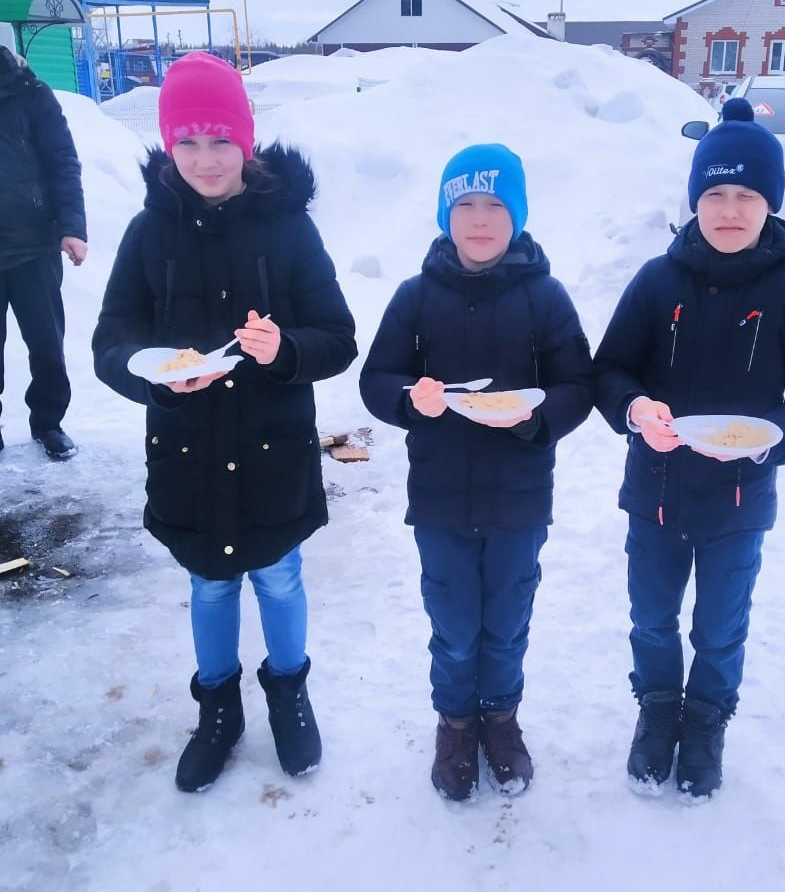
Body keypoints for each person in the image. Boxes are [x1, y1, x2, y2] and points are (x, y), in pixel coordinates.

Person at [92, 52, 357, 792]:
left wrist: (285, 351)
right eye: (188, 141)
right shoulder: (150, 234)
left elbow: (338, 336)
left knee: (278, 577)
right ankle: (218, 710)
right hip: (189, 450)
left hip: (272, 451)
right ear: (169, 146)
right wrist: (160, 376)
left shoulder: (290, 230)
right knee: (210, 586)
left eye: (219, 140)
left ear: (245, 140)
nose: (205, 159)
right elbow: (110, 342)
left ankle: (289, 696)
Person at [593, 99, 785, 799]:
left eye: (745, 195)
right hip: (656, 490)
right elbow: (609, 370)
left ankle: (705, 719)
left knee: (720, 626)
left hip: (741, 497)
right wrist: (635, 407)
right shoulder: (657, 279)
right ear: (696, 199)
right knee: (651, 617)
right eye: (714, 193)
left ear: (769, 203)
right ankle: (657, 710)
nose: (729, 209)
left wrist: (776, 440)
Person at [359, 143, 593, 802]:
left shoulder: (546, 298)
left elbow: (578, 384)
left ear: (516, 215)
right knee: (456, 626)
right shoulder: (416, 297)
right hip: (439, 499)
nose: (480, 220)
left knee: (507, 622)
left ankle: (502, 721)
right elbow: (377, 378)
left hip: (519, 497)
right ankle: (456, 723)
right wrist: (411, 400)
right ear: (446, 214)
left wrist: (529, 417)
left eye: (495, 205)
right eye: (465, 205)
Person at [0, 44, 87, 459]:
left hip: (33, 244)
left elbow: (62, 161)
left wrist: (72, 227)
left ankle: (49, 424)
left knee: (47, 344)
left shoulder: (30, 91)